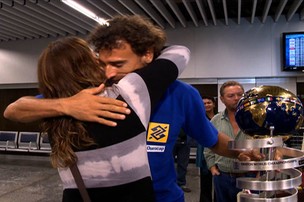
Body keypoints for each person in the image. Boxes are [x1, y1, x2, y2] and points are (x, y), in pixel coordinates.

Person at [4, 15, 263, 202]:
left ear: (148, 55)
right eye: (102, 63)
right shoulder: (91, 94)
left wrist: (240, 151)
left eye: (117, 63)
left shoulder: (181, 94)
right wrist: (69, 104)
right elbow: (17, 109)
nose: (107, 72)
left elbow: (212, 139)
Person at [36, 35, 189, 202]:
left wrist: (64, 105)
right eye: (94, 57)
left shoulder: (50, 113)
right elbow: (181, 53)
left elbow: (13, 109)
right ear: (86, 65)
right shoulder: (127, 94)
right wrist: (141, 48)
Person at [204, 81, 252, 202]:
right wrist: (212, 167)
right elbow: (208, 145)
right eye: (231, 96)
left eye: (240, 95)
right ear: (222, 99)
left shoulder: (255, 119)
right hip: (223, 176)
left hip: (249, 176)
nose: (236, 98)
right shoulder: (215, 120)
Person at [196, 95, 216, 202]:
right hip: (204, 152)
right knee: (205, 182)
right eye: (204, 103)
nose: (207, 105)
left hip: (218, 153)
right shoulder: (199, 119)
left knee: (218, 182)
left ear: (214, 104)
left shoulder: (219, 118)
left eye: (209, 103)